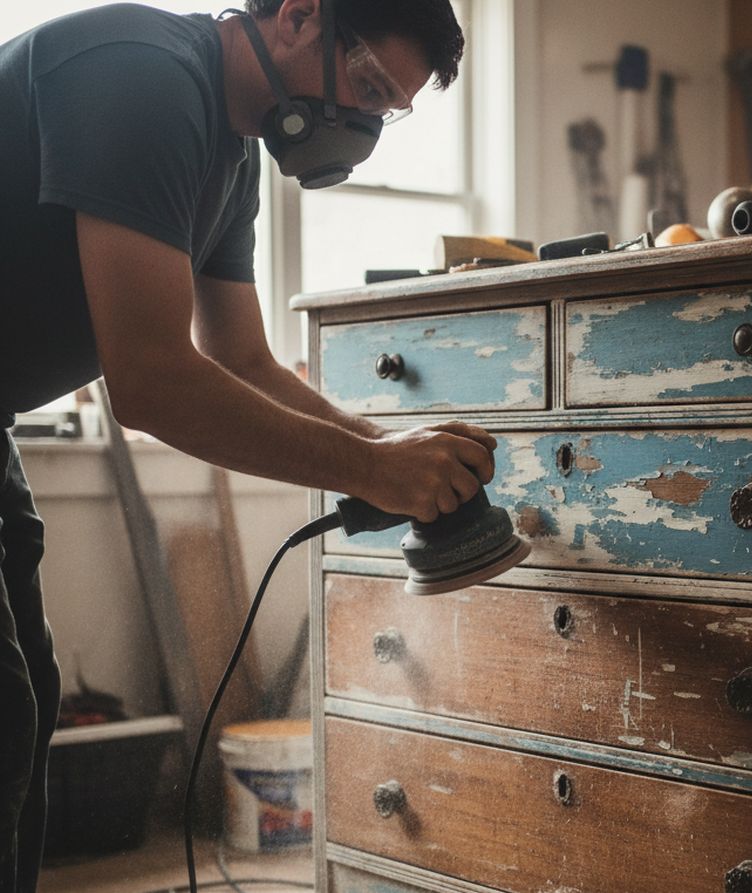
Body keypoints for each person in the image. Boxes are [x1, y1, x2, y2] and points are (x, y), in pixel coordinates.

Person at [0, 1, 491, 889]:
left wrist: (393, 447)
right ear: (302, 14)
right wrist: (378, 468)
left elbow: (242, 358)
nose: (364, 126)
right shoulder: (145, 76)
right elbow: (150, 381)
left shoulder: (226, 157)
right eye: (368, 87)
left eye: (388, 113)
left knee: (22, 708)